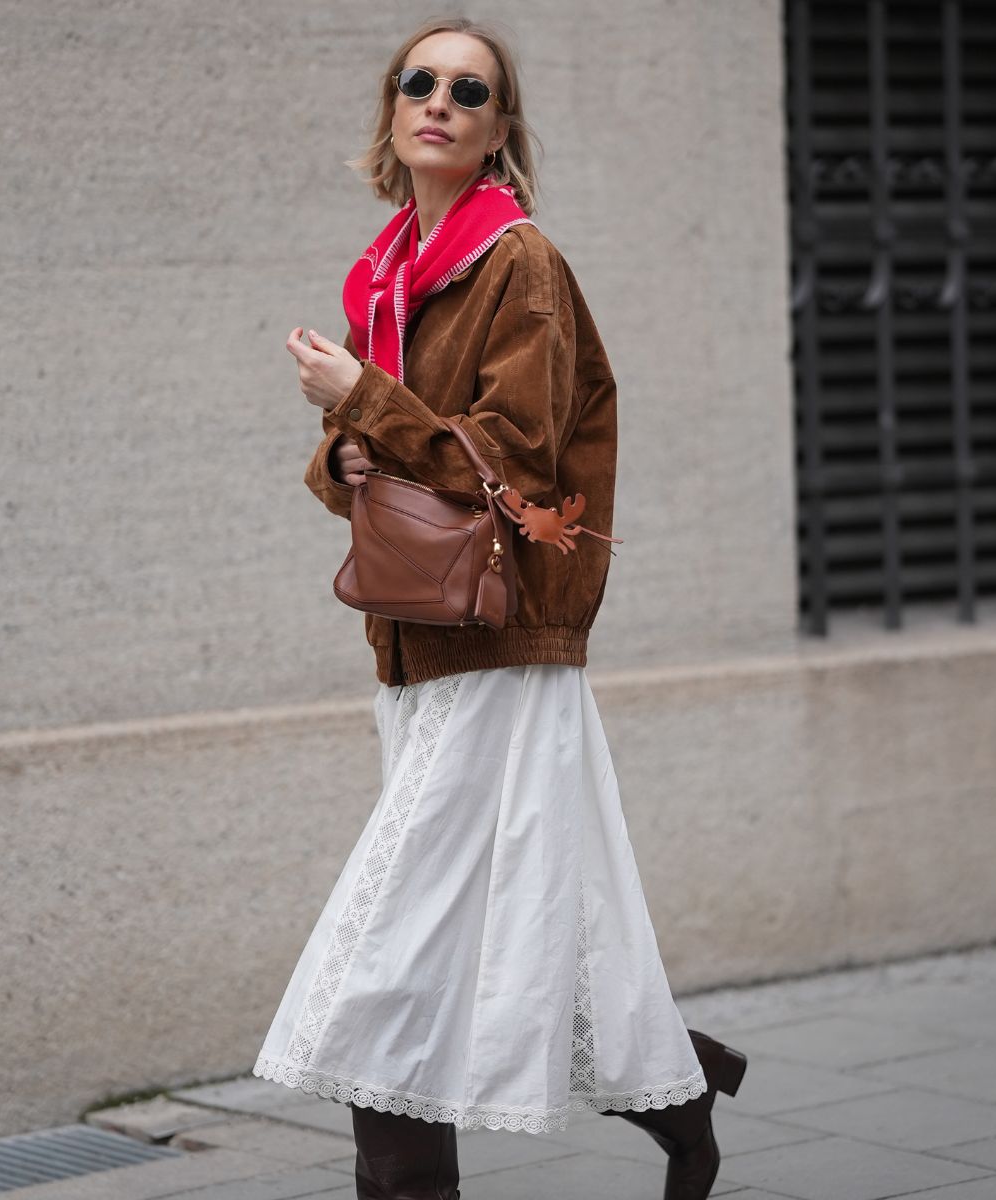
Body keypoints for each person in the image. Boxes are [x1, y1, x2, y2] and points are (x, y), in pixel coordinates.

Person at [252, 17, 748, 1200]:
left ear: (499, 128)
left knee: (385, 971)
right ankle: (684, 1100)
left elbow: (513, 464)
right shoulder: (388, 276)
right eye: (418, 81)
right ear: (391, 110)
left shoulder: (519, 264)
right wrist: (348, 437)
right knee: (527, 931)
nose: (439, 100)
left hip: (501, 650)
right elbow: (359, 476)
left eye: (468, 90)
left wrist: (363, 401)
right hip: (412, 650)